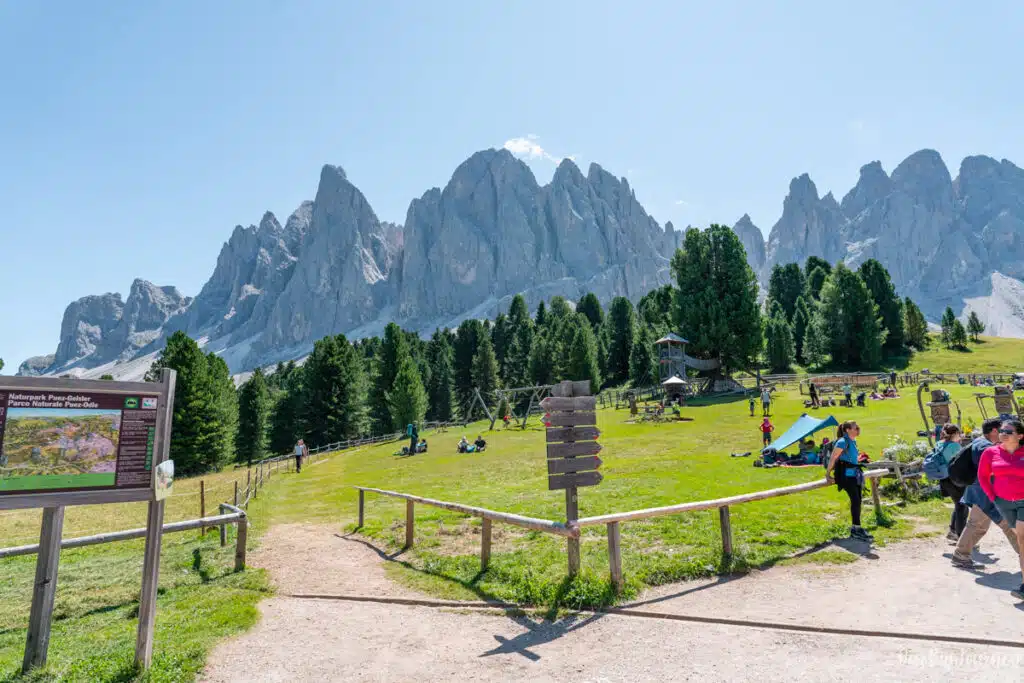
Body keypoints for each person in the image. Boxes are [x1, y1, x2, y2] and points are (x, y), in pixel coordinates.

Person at [952, 418, 1020, 569]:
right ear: (994, 431)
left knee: (978, 526)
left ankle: (960, 555)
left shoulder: (981, 443)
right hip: (986, 494)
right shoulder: (984, 446)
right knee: (1010, 525)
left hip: (981, 493)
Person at [978, 419, 1024, 600]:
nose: (1003, 433)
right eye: (1002, 430)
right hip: (1004, 503)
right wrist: (993, 498)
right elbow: (982, 476)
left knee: (1022, 539)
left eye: (1009, 431)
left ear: (1020, 436)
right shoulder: (990, 453)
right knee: (1021, 541)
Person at [826, 420, 873, 541]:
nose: (857, 428)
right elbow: (833, 457)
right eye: (855, 427)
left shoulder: (853, 441)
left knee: (858, 500)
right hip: (845, 476)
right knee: (856, 500)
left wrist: (861, 460)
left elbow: (851, 458)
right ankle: (855, 529)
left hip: (853, 474)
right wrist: (828, 474)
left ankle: (856, 528)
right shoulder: (842, 441)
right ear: (847, 430)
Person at [934, 424, 969, 542]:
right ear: (955, 434)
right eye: (959, 434)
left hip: (944, 479)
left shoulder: (939, 444)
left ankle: (953, 531)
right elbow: (961, 462)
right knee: (962, 507)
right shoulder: (954, 446)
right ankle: (961, 537)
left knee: (958, 504)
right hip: (955, 479)